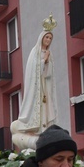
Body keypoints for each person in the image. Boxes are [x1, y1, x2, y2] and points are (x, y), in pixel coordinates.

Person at [10, 15, 58, 151]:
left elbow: (48, 74)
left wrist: (47, 61)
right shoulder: (34, 52)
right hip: (36, 89)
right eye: (46, 37)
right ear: (42, 38)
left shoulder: (49, 54)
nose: (48, 40)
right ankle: (34, 130)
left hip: (45, 88)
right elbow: (33, 72)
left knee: (46, 108)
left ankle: (45, 129)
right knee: (36, 109)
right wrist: (43, 61)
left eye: (50, 38)